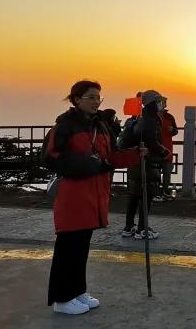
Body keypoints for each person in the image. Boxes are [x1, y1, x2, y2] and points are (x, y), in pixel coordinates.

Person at [46, 80, 142, 315]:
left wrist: (136, 155)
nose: (96, 101)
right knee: (67, 248)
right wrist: (89, 164)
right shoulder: (65, 125)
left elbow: (111, 157)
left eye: (99, 97)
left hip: (94, 193)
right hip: (73, 195)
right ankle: (61, 299)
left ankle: (77, 291)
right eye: (91, 97)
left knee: (81, 247)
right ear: (76, 99)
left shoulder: (101, 125)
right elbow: (51, 157)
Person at [121, 90, 170, 239]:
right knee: (146, 197)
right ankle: (142, 229)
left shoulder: (138, 118)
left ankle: (129, 227)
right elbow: (152, 142)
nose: (161, 104)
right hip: (146, 165)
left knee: (134, 197)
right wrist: (163, 151)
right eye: (159, 102)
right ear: (153, 103)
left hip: (134, 163)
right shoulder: (150, 120)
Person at [157, 98, 178, 201]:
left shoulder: (170, 117)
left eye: (164, 103)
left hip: (167, 149)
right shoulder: (153, 117)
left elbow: (176, 131)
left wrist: (172, 130)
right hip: (155, 149)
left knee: (166, 173)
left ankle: (165, 191)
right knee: (155, 173)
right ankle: (155, 192)